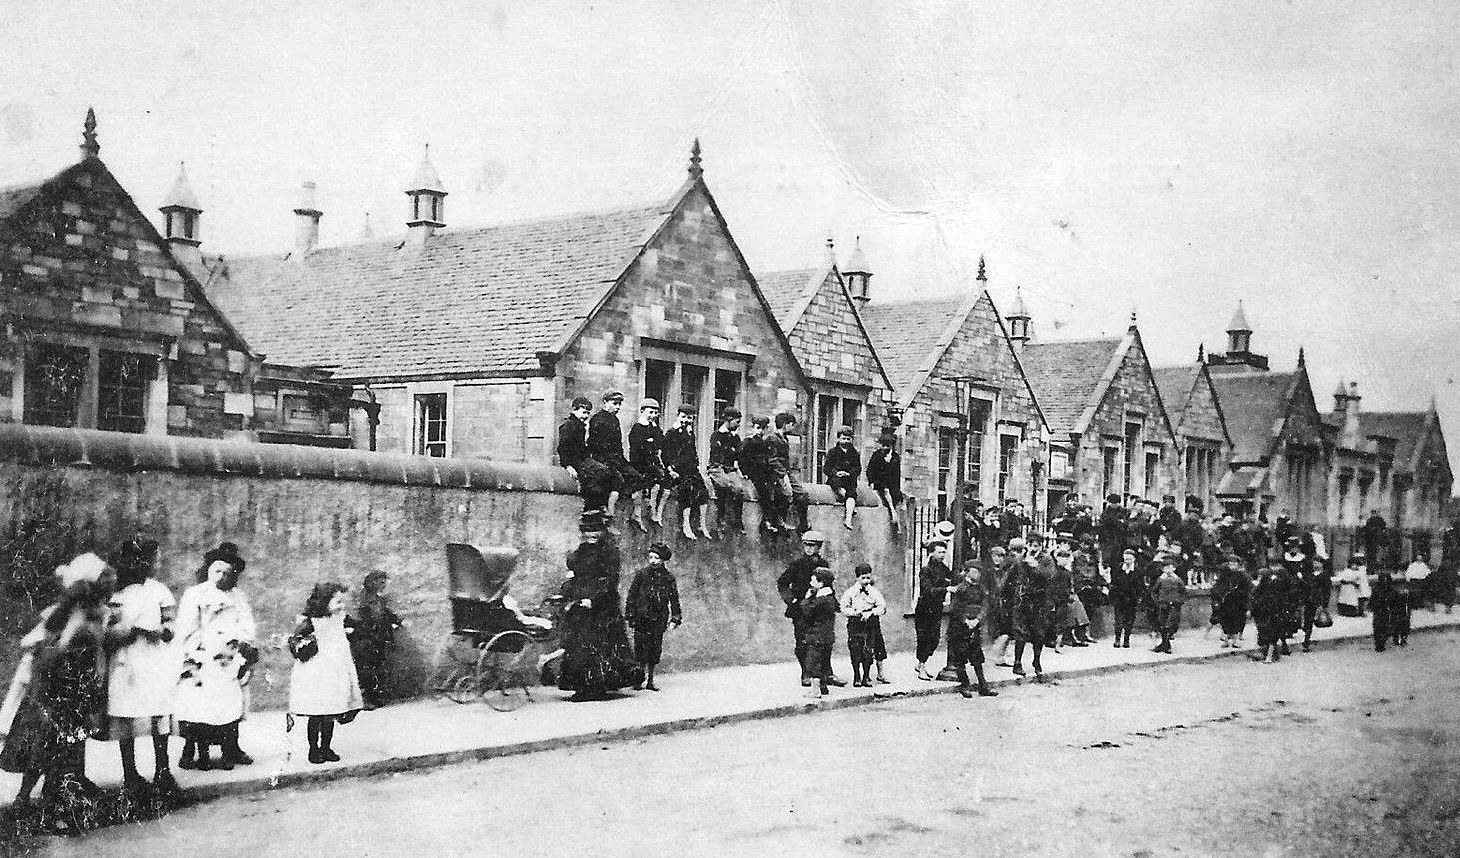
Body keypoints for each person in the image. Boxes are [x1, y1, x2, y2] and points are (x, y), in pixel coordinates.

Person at [1, 553, 113, 834]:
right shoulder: (78, 618)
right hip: (60, 689)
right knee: (55, 751)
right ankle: (49, 810)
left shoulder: (83, 615)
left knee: (54, 750)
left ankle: (28, 799)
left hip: (62, 689)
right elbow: (60, 651)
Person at [103, 536, 180, 796]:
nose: (157, 563)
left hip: (154, 659)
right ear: (140, 562)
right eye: (154, 558)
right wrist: (133, 630)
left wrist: (163, 631)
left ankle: (163, 769)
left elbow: (170, 625)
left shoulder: (158, 590)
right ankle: (131, 773)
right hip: (126, 659)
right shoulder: (116, 593)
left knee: (159, 712)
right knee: (127, 713)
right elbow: (108, 631)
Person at [174, 542, 258, 772]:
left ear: (235, 574)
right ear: (208, 571)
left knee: (231, 703)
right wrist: (197, 652)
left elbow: (247, 625)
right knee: (198, 704)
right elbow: (187, 627)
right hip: (204, 656)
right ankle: (191, 750)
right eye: (216, 571)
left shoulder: (238, 597)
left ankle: (231, 748)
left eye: (227, 572)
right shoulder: (196, 594)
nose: (221, 577)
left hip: (230, 656)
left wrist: (238, 645)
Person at [556, 512, 641, 700]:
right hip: (580, 603)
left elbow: (611, 581)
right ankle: (581, 685)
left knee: (600, 645)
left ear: (602, 531)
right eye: (586, 531)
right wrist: (567, 592)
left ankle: (595, 687)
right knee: (579, 645)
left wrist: (594, 600)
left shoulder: (609, 552)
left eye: (594, 530)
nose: (590, 535)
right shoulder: (581, 551)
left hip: (602, 606)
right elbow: (574, 572)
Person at [288, 582, 364, 764]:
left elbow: (358, 629)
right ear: (324, 602)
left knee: (331, 712)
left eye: (342, 602)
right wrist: (306, 644)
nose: (341, 606)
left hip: (335, 673)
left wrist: (352, 631)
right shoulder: (311, 622)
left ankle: (326, 747)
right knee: (316, 714)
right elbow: (295, 642)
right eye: (337, 602)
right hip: (316, 674)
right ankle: (314, 750)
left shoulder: (341, 618)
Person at [777, 531, 844, 687]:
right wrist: (792, 601)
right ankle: (806, 673)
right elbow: (782, 583)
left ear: (819, 547)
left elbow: (828, 585)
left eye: (812, 545)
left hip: (820, 609)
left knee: (825, 642)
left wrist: (833, 604)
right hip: (802, 609)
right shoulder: (797, 564)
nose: (808, 548)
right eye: (806, 545)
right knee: (803, 642)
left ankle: (827, 673)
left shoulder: (823, 565)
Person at [625, 543, 683, 692]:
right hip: (641, 618)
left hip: (658, 619)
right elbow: (632, 596)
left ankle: (650, 680)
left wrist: (675, 618)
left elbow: (674, 599)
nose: (653, 561)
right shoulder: (641, 575)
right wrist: (631, 614)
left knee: (654, 650)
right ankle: (638, 680)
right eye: (650, 557)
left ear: (663, 560)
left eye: (656, 558)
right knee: (640, 649)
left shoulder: (668, 578)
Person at [587, 391, 645, 519]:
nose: (618, 407)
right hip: (603, 459)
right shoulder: (597, 420)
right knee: (616, 479)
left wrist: (622, 460)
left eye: (619, 404)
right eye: (615, 403)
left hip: (617, 459)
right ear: (605, 403)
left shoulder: (615, 420)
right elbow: (594, 444)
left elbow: (618, 445)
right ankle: (610, 513)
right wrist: (608, 461)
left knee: (637, 477)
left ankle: (636, 514)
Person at [351, 571, 402, 710]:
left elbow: (384, 613)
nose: (384, 584)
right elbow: (370, 618)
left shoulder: (377, 599)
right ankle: (367, 699)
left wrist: (396, 620)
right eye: (381, 582)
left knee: (377, 667)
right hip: (368, 639)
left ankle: (375, 697)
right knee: (367, 669)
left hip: (378, 638)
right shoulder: (366, 600)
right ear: (372, 583)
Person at [946, 563, 998, 698]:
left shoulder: (980, 588)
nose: (979, 574)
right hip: (959, 627)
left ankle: (983, 686)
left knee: (977, 657)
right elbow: (955, 608)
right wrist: (966, 620)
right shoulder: (961, 587)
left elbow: (985, 605)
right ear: (968, 572)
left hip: (974, 625)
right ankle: (965, 685)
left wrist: (977, 619)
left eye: (980, 572)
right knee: (960, 656)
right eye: (976, 571)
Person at [662, 404, 713, 541]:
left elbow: (692, 453)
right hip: (676, 470)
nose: (686, 420)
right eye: (683, 417)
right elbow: (665, 455)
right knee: (687, 490)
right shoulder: (672, 433)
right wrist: (670, 470)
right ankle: (686, 524)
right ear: (678, 416)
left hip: (690, 469)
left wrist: (695, 465)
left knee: (703, 491)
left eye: (689, 418)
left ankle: (702, 524)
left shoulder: (690, 433)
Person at [1008, 536, 1055, 681]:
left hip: (1039, 601)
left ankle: (1037, 661)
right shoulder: (1020, 560)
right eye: (1031, 545)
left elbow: (1050, 575)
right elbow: (1009, 577)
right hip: (1023, 601)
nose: (1034, 548)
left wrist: (1035, 566)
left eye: (1037, 545)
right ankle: (1017, 663)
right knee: (1021, 632)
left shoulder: (1046, 559)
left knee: (1038, 633)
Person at [557, 396, 612, 514]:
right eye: (583, 412)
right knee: (600, 472)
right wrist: (568, 466)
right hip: (575, 462)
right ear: (574, 410)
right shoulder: (568, 426)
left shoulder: (579, 426)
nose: (586, 416)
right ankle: (590, 506)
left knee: (604, 471)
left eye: (588, 413)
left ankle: (595, 505)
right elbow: (563, 448)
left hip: (582, 459)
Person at [840, 563, 888, 687]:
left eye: (868, 578)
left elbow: (882, 607)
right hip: (855, 624)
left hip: (870, 623)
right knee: (855, 649)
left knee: (868, 650)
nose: (866, 581)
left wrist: (871, 612)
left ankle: (866, 676)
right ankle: (857, 676)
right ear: (857, 578)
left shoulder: (874, 591)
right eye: (863, 578)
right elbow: (843, 608)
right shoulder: (850, 592)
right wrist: (855, 612)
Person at [913, 540, 953, 681]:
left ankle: (921, 664)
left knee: (934, 639)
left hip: (937, 607)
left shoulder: (943, 568)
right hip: (925, 608)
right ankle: (922, 667)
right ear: (932, 553)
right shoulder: (926, 569)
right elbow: (927, 590)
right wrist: (945, 588)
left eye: (944, 552)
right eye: (940, 552)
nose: (943, 554)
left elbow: (952, 579)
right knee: (924, 638)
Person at [628, 399, 669, 532]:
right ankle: (637, 514)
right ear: (642, 411)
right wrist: (649, 443)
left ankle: (653, 508)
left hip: (652, 461)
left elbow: (660, 443)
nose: (653, 415)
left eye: (656, 413)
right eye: (650, 412)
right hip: (639, 462)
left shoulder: (654, 428)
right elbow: (638, 448)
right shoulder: (637, 428)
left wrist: (652, 439)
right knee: (639, 484)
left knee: (661, 478)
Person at [707, 407, 749, 535]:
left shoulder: (735, 438)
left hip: (729, 469)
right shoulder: (716, 436)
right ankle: (721, 518)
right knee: (723, 484)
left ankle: (737, 519)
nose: (738, 425)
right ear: (728, 420)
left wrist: (743, 471)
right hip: (717, 468)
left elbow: (739, 456)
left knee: (739, 488)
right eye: (737, 421)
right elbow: (716, 457)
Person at [741, 416, 787, 534]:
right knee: (765, 491)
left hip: (765, 472)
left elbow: (769, 459)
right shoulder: (747, 442)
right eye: (757, 428)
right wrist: (745, 473)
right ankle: (766, 520)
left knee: (778, 489)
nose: (759, 431)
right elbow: (742, 460)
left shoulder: (765, 443)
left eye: (762, 428)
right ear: (752, 428)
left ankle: (775, 520)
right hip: (754, 473)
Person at [799, 568, 840, 699]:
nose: (810, 581)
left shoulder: (820, 600)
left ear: (821, 583)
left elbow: (807, 611)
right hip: (827, 636)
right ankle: (823, 687)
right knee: (823, 662)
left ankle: (815, 691)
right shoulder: (830, 597)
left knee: (812, 662)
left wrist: (806, 598)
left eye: (813, 579)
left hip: (816, 635)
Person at [772, 412, 811, 533]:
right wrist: (783, 475)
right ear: (784, 424)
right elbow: (772, 460)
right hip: (775, 474)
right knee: (785, 493)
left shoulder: (785, 439)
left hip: (786, 472)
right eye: (791, 424)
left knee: (803, 494)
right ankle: (780, 520)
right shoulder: (772, 438)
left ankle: (803, 524)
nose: (793, 427)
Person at [865, 431, 903, 534]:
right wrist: (872, 482)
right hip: (879, 482)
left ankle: (897, 521)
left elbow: (896, 475)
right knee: (886, 493)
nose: (885, 448)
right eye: (883, 445)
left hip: (891, 484)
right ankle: (893, 514)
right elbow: (870, 470)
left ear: (891, 446)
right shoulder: (877, 455)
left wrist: (896, 489)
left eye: (888, 446)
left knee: (896, 496)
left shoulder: (895, 457)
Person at [824, 426, 862, 530]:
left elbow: (858, 468)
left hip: (849, 480)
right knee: (841, 489)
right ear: (838, 439)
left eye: (848, 439)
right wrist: (836, 473)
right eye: (843, 438)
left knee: (851, 493)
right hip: (836, 480)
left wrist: (849, 474)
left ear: (851, 439)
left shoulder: (854, 453)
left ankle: (848, 520)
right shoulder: (832, 452)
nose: (845, 441)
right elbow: (826, 468)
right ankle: (849, 506)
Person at [1209, 561, 1251, 648]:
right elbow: (1217, 588)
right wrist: (1218, 597)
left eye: (1234, 564)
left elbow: (1247, 589)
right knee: (1225, 621)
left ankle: (1235, 641)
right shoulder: (1224, 576)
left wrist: (1245, 602)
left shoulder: (1241, 576)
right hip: (1225, 603)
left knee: (1236, 621)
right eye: (1230, 564)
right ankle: (1226, 641)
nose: (1232, 566)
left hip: (1237, 602)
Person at [1150, 558, 1187, 654]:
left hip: (1174, 605)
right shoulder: (1161, 580)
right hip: (1163, 604)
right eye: (1165, 568)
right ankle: (1166, 645)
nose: (1168, 570)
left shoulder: (1178, 580)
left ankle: (1165, 644)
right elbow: (1154, 591)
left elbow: (1184, 592)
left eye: (1170, 567)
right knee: (1162, 623)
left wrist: (1180, 601)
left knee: (1171, 624)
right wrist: (1157, 601)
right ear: (1163, 569)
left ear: (1174, 568)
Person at [1250, 564, 1286, 663]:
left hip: (1270, 614)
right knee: (1263, 634)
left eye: (1260, 576)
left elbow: (1273, 600)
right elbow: (1254, 598)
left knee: (1271, 635)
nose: (1259, 578)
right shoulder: (1258, 588)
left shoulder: (1271, 587)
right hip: (1261, 614)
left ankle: (1269, 656)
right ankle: (1266, 653)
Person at [1109, 549, 1141, 648]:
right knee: (1118, 619)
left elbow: (1140, 586)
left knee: (1129, 620)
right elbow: (1114, 583)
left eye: (1130, 559)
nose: (1127, 561)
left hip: (1132, 599)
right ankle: (1117, 639)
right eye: (1126, 559)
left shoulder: (1138, 570)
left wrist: (1139, 597)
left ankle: (1126, 639)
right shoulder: (1118, 569)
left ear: (1134, 559)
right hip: (1120, 598)